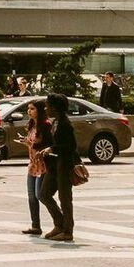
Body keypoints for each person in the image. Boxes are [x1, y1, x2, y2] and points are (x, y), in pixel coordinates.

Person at [42, 93, 82, 243]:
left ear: (55, 107)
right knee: (44, 194)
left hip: (65, 165)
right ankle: (59, 223)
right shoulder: (55, 122)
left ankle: (67, 231)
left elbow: (71, 146)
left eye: (48, 106)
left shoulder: (65, 124)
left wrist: (53, 149)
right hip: (54, 166)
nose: (46, 108)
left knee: (65, 199)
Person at [21, 101, 59, 238]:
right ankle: (35, 225)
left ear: (39, 110)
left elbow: (47, 145)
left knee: (40, 194)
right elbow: (33, 144)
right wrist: (27, 142)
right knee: (31, 196)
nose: (29, 111)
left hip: (43, 164)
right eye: (28, 109)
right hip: (33, 163)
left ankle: (59, 221)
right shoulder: (31, 125)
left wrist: (32, 144)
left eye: (32, 109)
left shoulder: (46, 125)